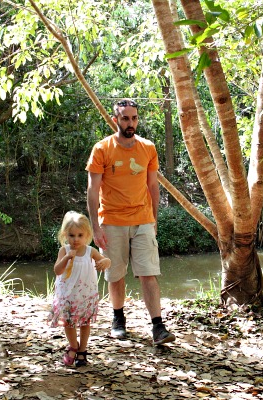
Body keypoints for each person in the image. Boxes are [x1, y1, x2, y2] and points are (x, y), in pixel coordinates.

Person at [86, 98, 175, 346]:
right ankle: (118, 319)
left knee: (149, 272)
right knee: (115, 274)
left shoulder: (148, 148)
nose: (130, 123)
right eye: (125, 118)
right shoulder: (102, 149)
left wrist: (154, 219)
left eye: (134, 118)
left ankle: (158, 326)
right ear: (116, 120)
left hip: (143, 220)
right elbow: (92, 191)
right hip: (111, 220)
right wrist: (95, 226)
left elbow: (153, 186)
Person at [49, 211, 111, 367]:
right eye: (71, 235)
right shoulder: (64, 250)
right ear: (65, 235)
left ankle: (82, 350)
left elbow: (105, 261)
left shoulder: (90, 251)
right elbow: (57, 270)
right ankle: (73, 345)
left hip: (85, 293)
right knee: (68, 322)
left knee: (85, 322)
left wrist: (106, 262)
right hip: (68, 294)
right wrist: (66, 258)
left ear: (87, 235)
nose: (75, 239)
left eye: (80, 235)